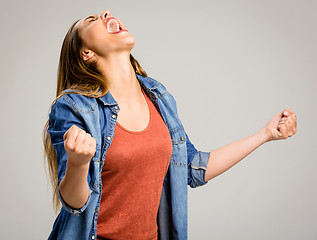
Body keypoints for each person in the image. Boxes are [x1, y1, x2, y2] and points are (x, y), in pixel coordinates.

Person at [43, 9, 297, 240]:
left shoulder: (158, 96)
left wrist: (265, 134)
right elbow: (75, 202)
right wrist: (77, 163)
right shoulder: (73, 107)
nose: (105, 12)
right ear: (86, 53)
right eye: (92, 19)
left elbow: (192, 168)